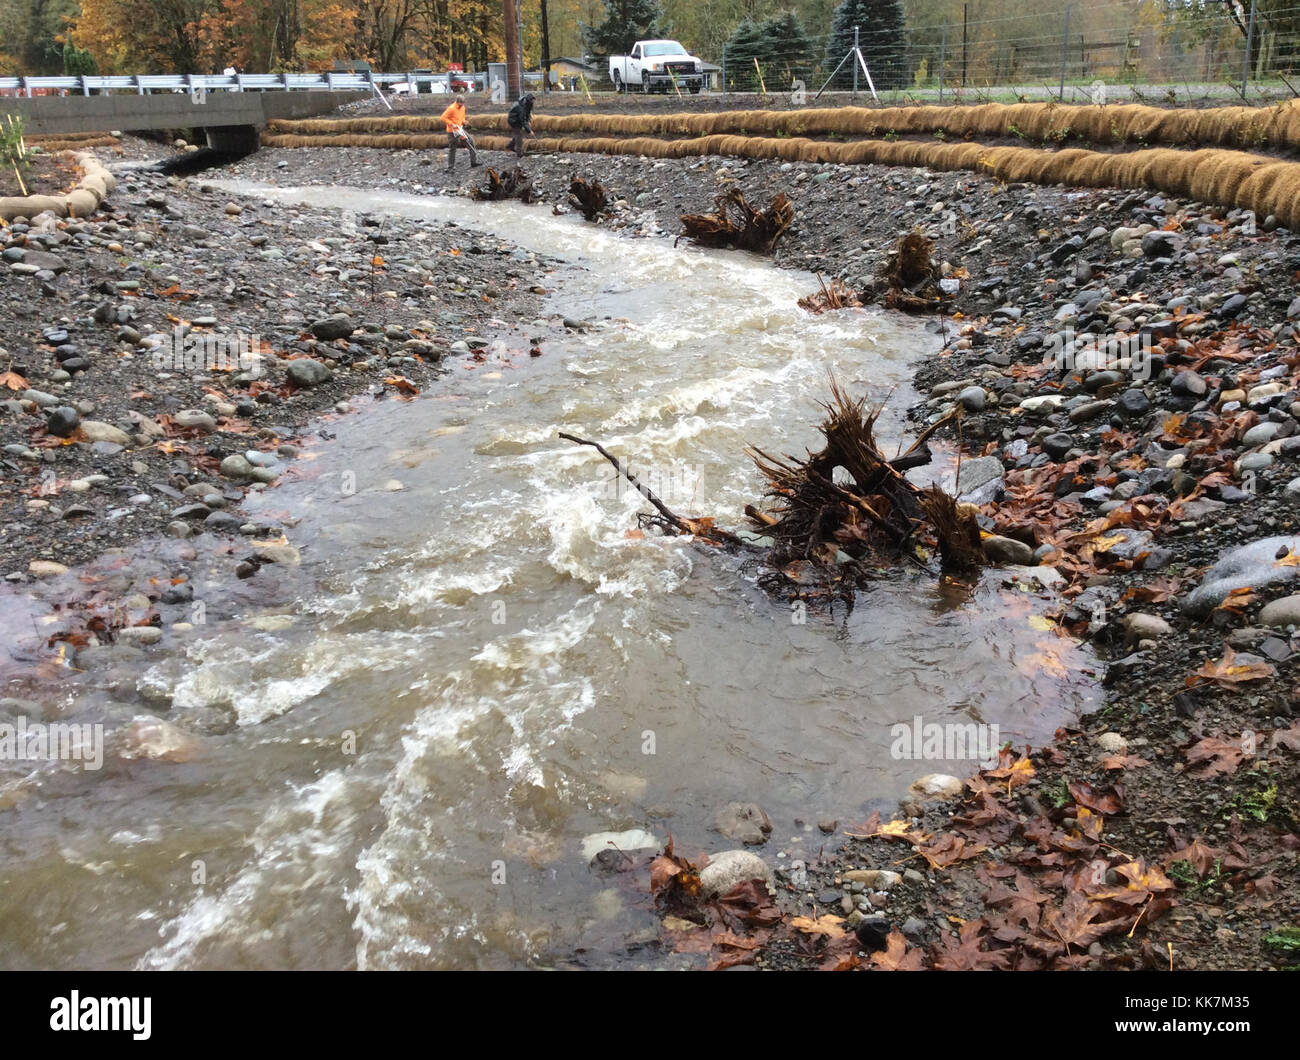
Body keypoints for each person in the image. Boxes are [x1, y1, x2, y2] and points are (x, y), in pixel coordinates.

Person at [440, 96, 481, 171]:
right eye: (460, 104)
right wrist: (451, 124)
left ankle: (473, 162)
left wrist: (464, 121)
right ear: (456, 102)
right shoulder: (451, 108)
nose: (461, 105)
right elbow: (443, 117)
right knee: (453, 148)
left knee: (471, 141)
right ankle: (450, 167)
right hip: (452, 131)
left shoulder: (463, 107)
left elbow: (462, 117)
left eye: (462, 104)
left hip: (460, 129)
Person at [507, 93, 536, 158]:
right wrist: (529, 131)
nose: (533, 101)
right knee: (519, 136)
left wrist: (528, 121)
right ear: (528, 100)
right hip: (513, 120)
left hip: (518, 119)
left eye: (533, 100)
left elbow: (527, 114)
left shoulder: (529, 104)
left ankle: (510, 146)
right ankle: (519, 153)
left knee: (517, 134)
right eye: (532, 100)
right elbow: (523, 120)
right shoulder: (521, 107)